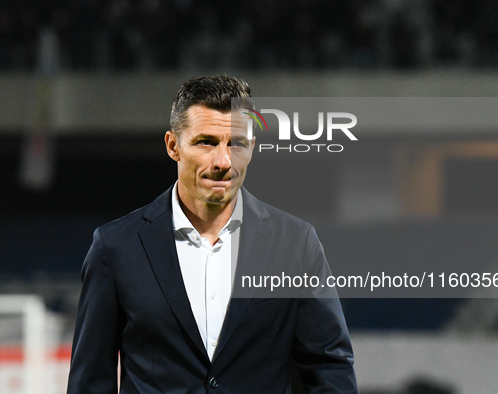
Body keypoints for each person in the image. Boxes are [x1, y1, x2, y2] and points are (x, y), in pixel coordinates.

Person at [66, 75, 358, 393]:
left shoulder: (295, 244)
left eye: (237, 143)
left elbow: (329, 367)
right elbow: (90, 380)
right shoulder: (116, 247)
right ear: (173, 146)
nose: (223, 161)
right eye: (207, 142)